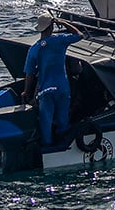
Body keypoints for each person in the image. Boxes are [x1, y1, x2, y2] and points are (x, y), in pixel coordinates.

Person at [23, 14, 83, 145]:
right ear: (52, 26)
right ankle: (62, 144)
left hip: (46, 90)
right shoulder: (60, 40)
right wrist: (63, 22)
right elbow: (79, 35)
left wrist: (26, 92)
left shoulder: (34, 49)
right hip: (62, 87)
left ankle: (47, 147)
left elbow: (30, 74)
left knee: (46, 121)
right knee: (63, 120)